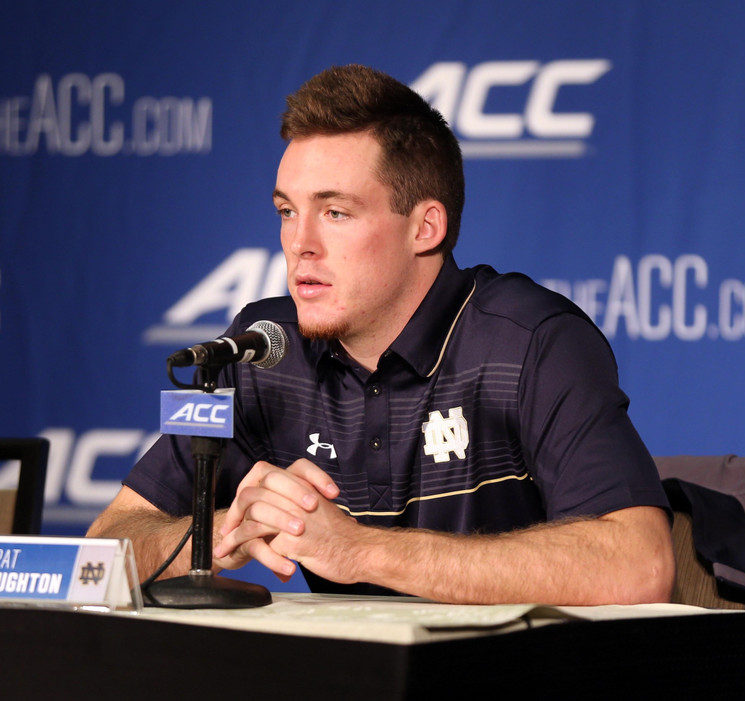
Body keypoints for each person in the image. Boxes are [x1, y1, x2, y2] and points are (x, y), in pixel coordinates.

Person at [87, 64, 674, 605]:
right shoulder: (262, 347)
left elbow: (640, 564)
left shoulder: (531, 341)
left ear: (425, 227)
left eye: (335, 212)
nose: (300, 243)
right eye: (287, 211)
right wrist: (217, 532)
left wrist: (358, 548)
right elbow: (107, 542)